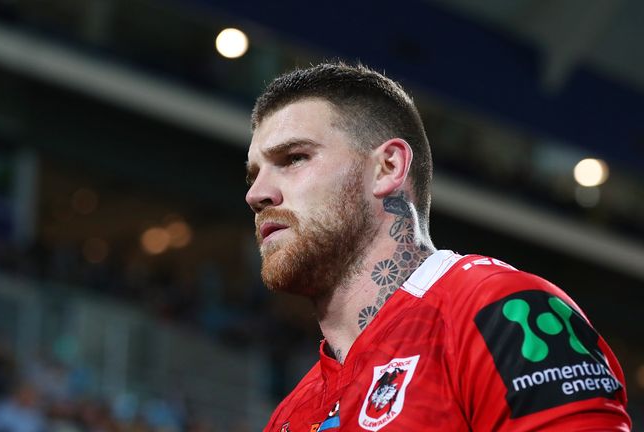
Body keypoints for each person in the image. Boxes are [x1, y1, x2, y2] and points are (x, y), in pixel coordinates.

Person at [244, 62, 631, 431]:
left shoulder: (503, 311)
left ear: (388, 168)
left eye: (294, 158)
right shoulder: (289, 415)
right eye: (254, 174)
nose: (256, 194)